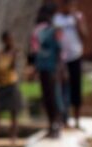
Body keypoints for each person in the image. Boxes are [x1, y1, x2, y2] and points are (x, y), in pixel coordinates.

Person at [30, 6, 63, 138]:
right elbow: (37, 52)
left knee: (54, 97)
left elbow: (59, 51)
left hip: (52, 69)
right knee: (47, 98)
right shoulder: (40, 32)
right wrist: (36, 69)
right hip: (43, 68)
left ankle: (57, 125)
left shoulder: (54, 32)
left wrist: (60, 69)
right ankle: (51, 125)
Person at [54, 0, 87, 129]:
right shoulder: (57, 19)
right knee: (62, 89)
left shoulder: (78, 17)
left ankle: (77, 120)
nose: (70, 7)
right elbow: (55, 37)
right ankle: (64, 119)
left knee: (76, 89)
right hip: (61, 59)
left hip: (75, 57)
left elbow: (85, 36)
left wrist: (77, 22)